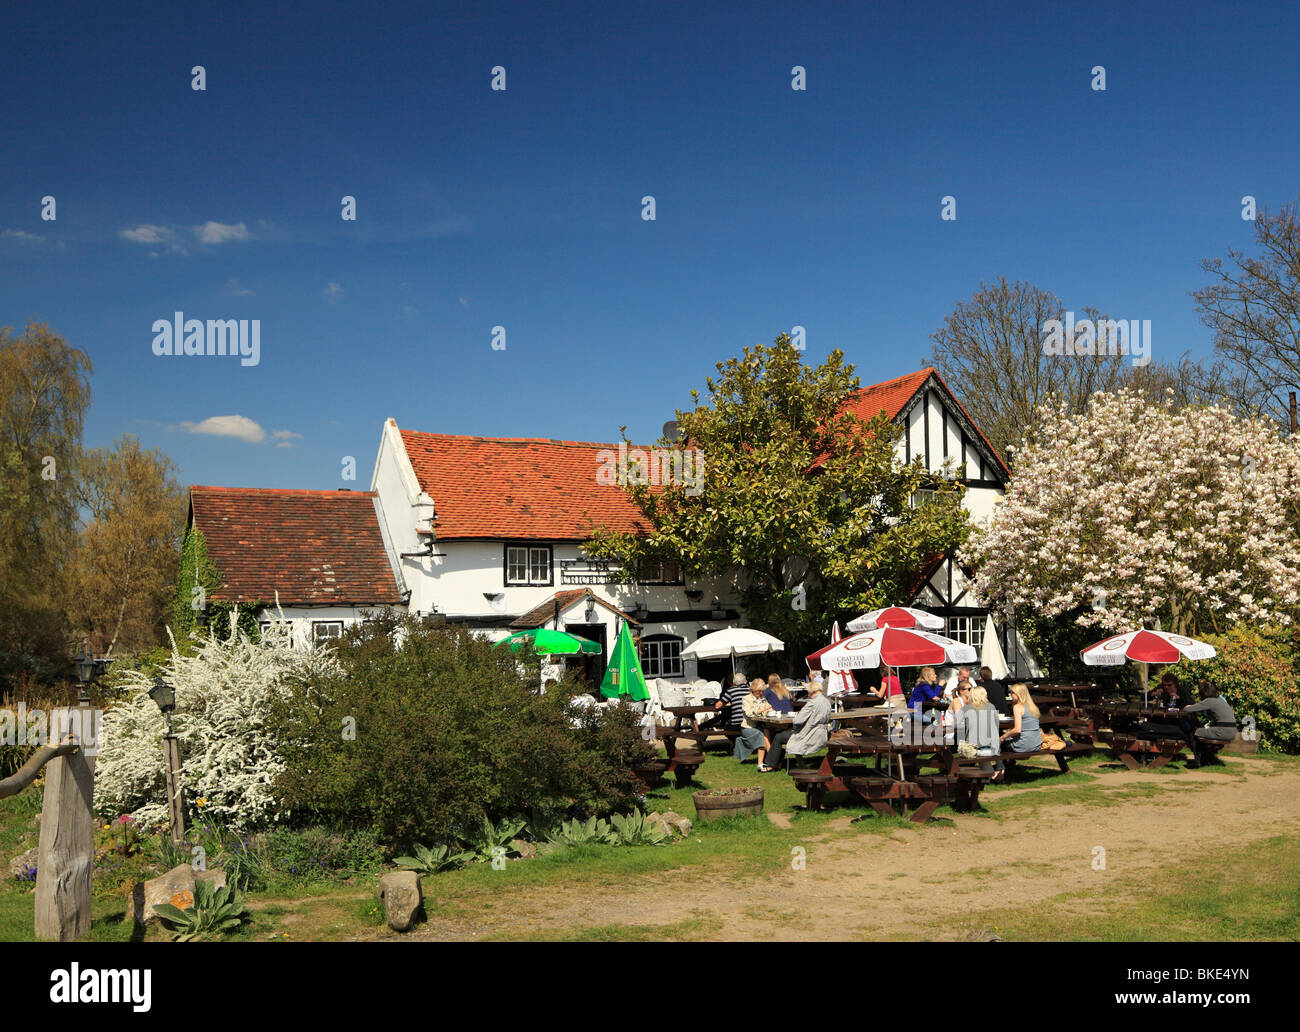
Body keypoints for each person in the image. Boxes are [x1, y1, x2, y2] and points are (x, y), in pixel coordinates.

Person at [764, 679, 832, 770]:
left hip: (809, 734)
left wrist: (797, 719)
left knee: (779, 737)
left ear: (811, 691)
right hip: (821, 733)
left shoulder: (812, 703)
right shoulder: (827, 702)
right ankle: (779, 764)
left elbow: (797, 721)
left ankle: (771, 765)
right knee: (783, 735)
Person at [1181, 686, 1238, 767]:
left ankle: (1197, 762)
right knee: (1201, 731)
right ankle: (1205, 759)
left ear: (1204, 694)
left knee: (1194, 733)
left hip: (1222, 731)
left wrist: (1187, 707)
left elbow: (1188, 710)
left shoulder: (1209, 701)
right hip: (1231, 731)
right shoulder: (1220, 700)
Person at [959, 686, 1003, 772]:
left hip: (975, 750)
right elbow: (996, 726)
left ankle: (990, 776)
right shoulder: (991, 706)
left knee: (962, 748)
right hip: (993, 748)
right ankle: (998, 769)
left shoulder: (966, 708)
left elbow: (956, 723)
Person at [735, 678, 773, 765]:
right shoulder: (746, 699)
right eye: (759, 691)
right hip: (748, 727)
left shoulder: (763, 698)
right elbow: (748, 713)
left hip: (760, 725)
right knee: (761, 735)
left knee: (767, 731)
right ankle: (762, 763)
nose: (761, 693)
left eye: (762, 691)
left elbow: (769, 709)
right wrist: (762, 710)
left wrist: (770, 711)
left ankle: (771, 759)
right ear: (754, 689)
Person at [1000, 682, 1042, 755]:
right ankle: (1008, 763)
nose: (1011, 695)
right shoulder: (1032, 707)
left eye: (1012, 692)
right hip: (1036, 743)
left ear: (1018, 694)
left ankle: (1001, 766)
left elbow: (1017, 730)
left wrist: (1003, 737)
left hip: (1023, 745)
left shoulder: (1018, 707)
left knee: (999, 743)